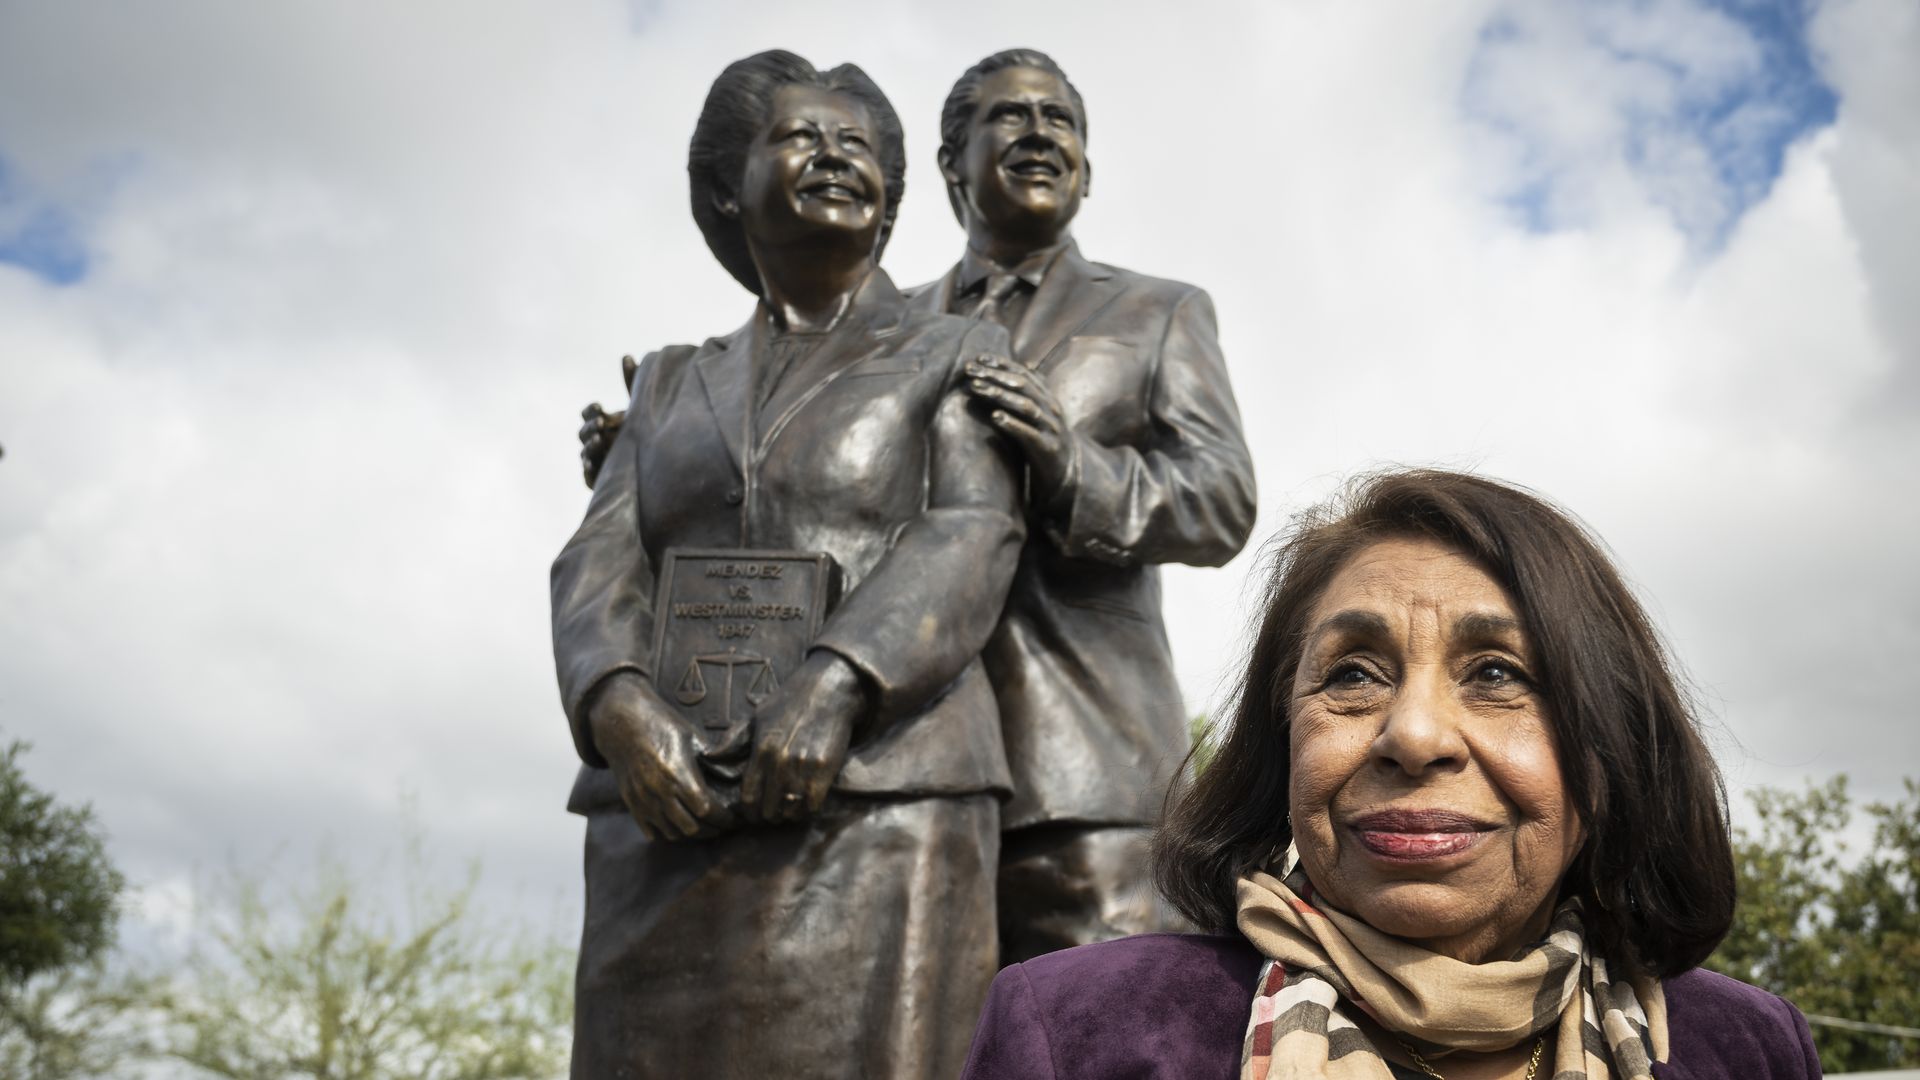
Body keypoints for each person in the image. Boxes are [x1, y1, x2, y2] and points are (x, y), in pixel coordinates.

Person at [960, 470, 1822, 1080]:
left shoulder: (1745, 1047)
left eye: (1496, 675)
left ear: (1605, 753)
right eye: (1352, 676)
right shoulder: (1077, 1034)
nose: (1412, 736)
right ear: (1283, 740)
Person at [552, 50, 1024, 1078]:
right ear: (729, 185)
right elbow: (600, 554)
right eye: (801, 137)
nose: (834, 156)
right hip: (664, 807)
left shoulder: (958, 346)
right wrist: (617, 704)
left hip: (884, 800)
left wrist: (838, 681)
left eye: (858, 145)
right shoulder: (672, 381)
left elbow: (971, 531)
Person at [919, 47, 1257, 963]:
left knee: (1103, 1039)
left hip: (1089, 771)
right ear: (952, 161)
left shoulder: (1159, 312)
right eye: (1011, 116)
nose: (1039, 134)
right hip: (902, 776)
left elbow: (1220, 500)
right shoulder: (885, 331)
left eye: (1059, 120)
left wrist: (1071, 466)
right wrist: (664, 451)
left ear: (1087, 169)